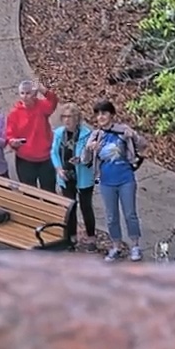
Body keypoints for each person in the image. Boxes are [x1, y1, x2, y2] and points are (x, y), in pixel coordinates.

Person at [82, 100, 146, 261]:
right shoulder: (96, 135)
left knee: (130, 214)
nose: (101, 117)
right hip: (106, 181)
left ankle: (135, 245)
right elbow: (85, 160)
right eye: (98, 114)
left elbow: (143, 145)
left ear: (111, 114)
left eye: (104, 113)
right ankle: (116, 246)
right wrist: (89, 148)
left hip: (126, 179)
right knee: (111, 216)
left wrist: (134, 136)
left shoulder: (123, 131)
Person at [52, 103, 97, 244]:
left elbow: (90, 156)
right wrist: (58, 169)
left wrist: (81, 160)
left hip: (83, 177)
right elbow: (53, 152)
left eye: (70, 117)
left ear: (77, 118)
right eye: (64, 117)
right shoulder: (59, 133)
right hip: (65, 175)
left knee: (86, 207)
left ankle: (91, 237)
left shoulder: (87, 134)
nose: (67, 120)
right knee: (70, 208)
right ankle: (72, 236)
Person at [2, 79, 59, 190]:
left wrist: (44, 91)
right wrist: (13, 142)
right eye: (22, 93)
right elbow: (10, 134)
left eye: (28, 93)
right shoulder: (14, 113)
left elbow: (53, 102)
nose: (25, 96)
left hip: (45, 157)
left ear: (34, 94)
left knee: (49, 191)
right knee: (29, 192)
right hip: (25, 159)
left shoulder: (42, 106)